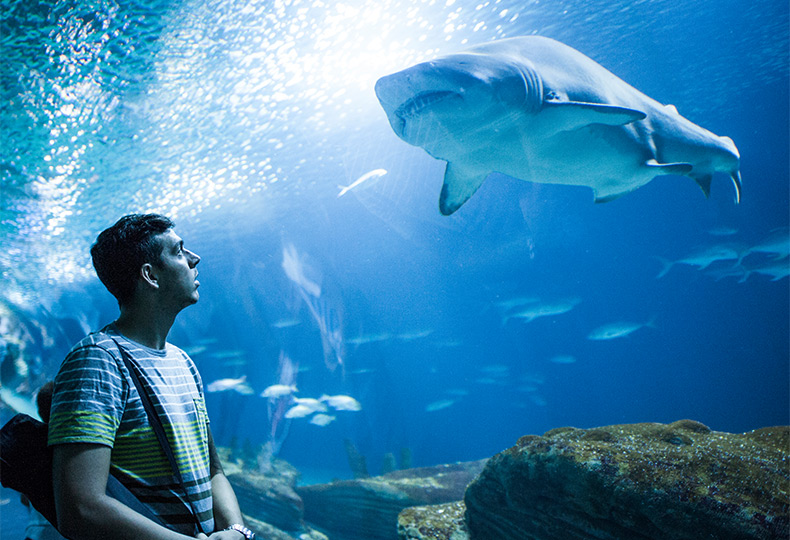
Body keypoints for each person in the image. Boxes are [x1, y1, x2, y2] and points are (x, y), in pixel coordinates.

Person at [48, 214, 255, 540]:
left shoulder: (183, 363)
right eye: (178, 251)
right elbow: (81, 508)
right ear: (150, 275)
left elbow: (212, 471)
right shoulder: (98, 362)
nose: (193, 258)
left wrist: (237, 531)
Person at [22, 381, 67, 540]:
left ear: (40, 411)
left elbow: (25, 499)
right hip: (69, 532)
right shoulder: (78, 445)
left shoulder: (31, 446)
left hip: (37, 532)